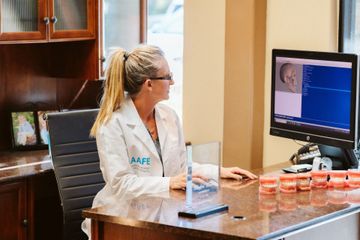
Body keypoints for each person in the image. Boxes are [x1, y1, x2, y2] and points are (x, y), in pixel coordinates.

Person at [82, 45, 257, 237]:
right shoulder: (113, 124)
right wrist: (169, 183)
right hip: (122, 221)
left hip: (165, 218)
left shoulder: (169, 116)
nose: (172, 82)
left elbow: (181, 168)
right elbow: (121, 184)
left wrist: (218, 172)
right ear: (149, 84)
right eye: (167, 77)